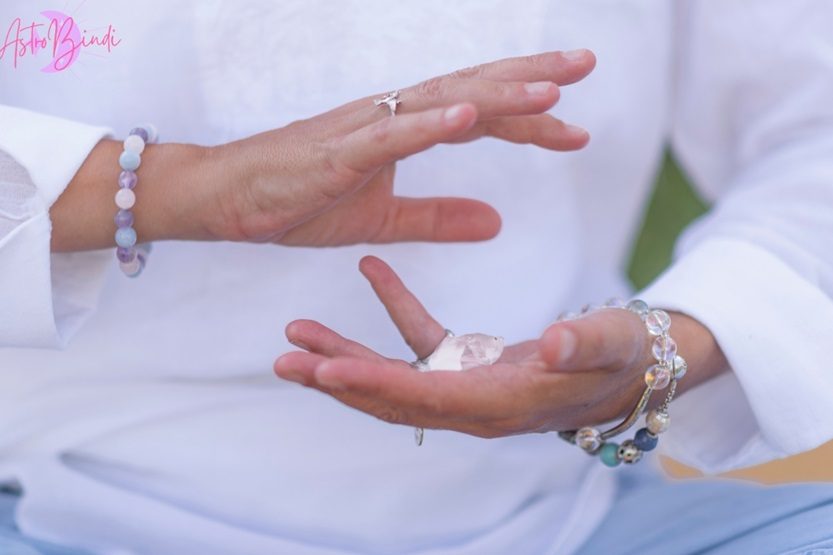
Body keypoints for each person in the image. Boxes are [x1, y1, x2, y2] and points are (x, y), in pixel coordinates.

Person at [1, 1, 832, 554]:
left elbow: (814, 130)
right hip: (58, 497)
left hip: (572, 514)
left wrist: (668, 346)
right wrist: (175, 187)